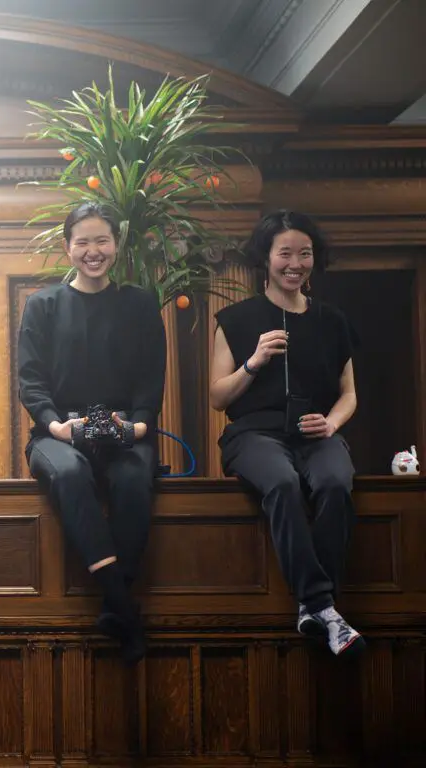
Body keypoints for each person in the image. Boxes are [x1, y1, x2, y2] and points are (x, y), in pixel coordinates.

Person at [210, 210, 364, 657]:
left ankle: (316, 609)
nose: (295, 263)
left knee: (335, 482)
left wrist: (331, 423)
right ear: (266, 257)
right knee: (282, 482)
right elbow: (218, 398)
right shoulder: (236, 319)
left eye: (305, 254)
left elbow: (349, 394)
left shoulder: (332, 321)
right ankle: (322, 606)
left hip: (315, 433)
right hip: (252, 435)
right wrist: (254, 362)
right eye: (285, 253)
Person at [17, 202, 166, 663]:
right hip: (57, 431)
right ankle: (120, 603)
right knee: (68, 474)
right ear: (68, 248)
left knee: (134, 478)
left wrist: (138, 425)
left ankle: (116, 603)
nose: (93, 251)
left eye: (102, 240)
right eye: (82, 242)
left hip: (125, 429)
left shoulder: (140, 304)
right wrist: (55, 425)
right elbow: (30, 381)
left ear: (117, 245)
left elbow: (151, 377)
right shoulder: (42, 305)